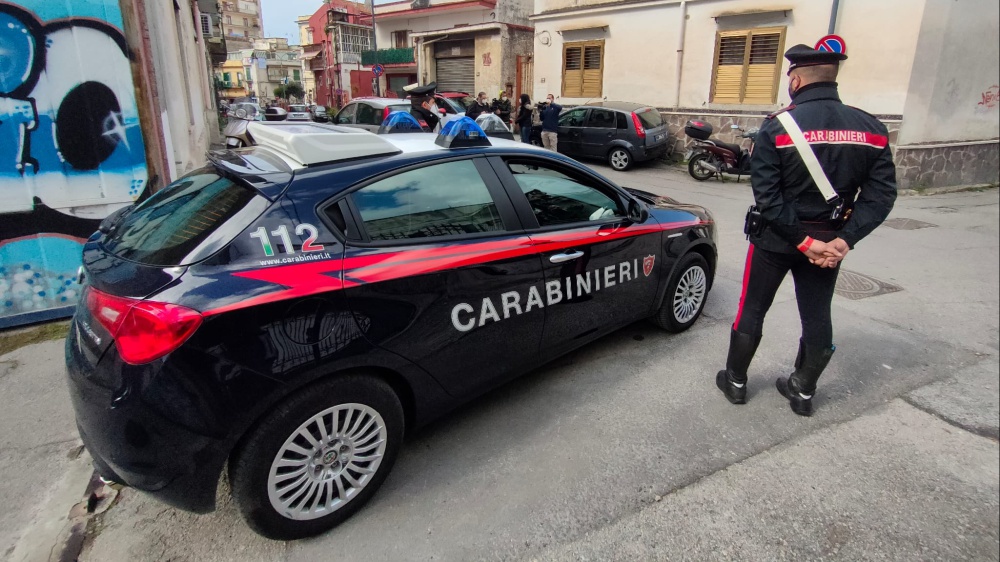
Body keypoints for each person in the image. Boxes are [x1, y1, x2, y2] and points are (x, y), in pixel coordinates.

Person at [715, 44, 897, 416]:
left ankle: (735, 382)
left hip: (775, 240)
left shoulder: (778, 126)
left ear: (795, 79)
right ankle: (803, 390)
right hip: (829, 242)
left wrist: (801, 241)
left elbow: (767, 196)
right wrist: (844, 240)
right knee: (817, 314)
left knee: (752, 308)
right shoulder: (872, 129)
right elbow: (881, 196)